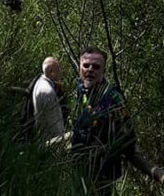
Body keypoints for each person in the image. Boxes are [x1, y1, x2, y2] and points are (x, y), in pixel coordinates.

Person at [71, 47, 136, 193]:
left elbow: (129, 135)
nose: (90, 70)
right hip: (81, 168)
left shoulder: (112, 98)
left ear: (103, 71)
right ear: (80, 68)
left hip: (101, 173)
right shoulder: (82, 90)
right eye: (86, 65)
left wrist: (107, 151)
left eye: (96, 66)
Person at [31, 56, 67, 145]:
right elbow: (54, 121)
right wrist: (61, 141)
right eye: (58, 69)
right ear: (50, 71)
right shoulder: (48, 92)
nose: (60, 72)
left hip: (42, 138)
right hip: (51, 141)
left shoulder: (39, 83)